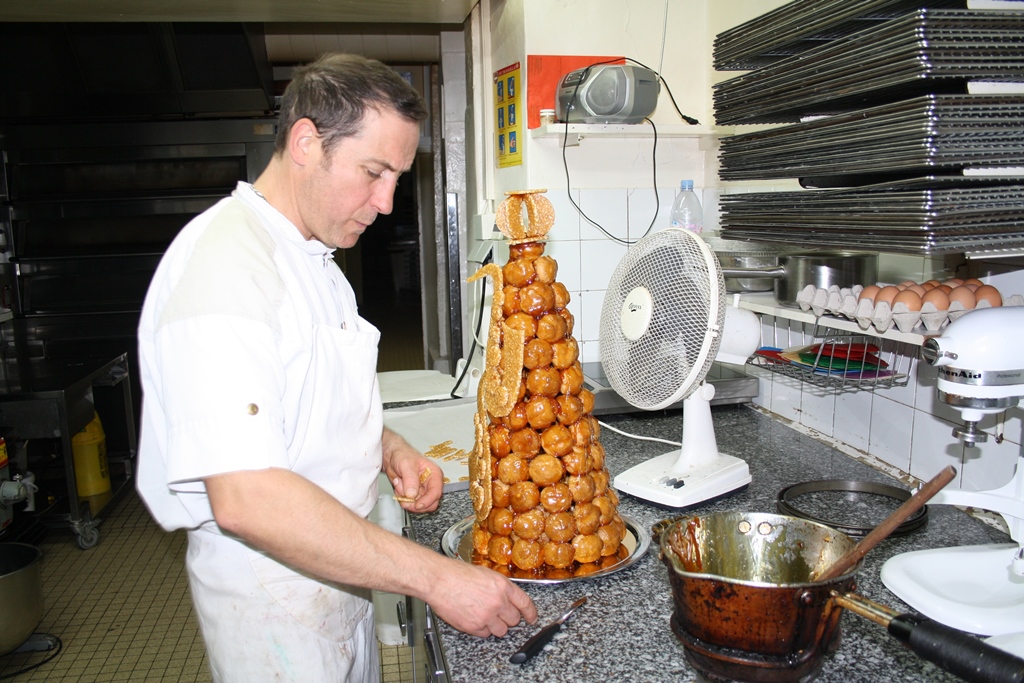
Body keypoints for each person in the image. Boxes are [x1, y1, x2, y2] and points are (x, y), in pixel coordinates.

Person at [136, 53, 537, 682]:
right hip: (271, 602)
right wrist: (437, 578)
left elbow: (301, 399)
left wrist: (386, 445)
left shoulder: (314, 258)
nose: (386, 202)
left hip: (340, 571)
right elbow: (247, 498)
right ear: (305, 142)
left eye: (396, 178)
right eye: (373, 172)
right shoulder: (226, 268)